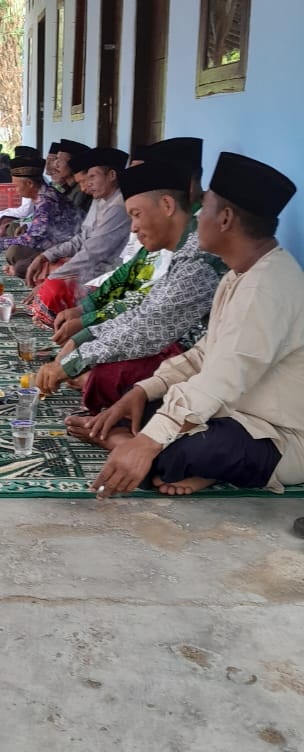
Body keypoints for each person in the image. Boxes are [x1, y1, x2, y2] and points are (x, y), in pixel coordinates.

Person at [85, 152, 304, 497]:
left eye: (204, 208)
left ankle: (122, 444)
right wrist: (146, 389)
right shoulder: (240, 274)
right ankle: (130, 443)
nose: (196, 217)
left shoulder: (268, 285)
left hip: (274, 434)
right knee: (140, 406)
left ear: (226, 218)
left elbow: (223, 377)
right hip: (228, 412)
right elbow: (205, 355)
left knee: (181, 451)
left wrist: (147, 442)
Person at [35, 147, 224, 411]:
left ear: (167, 205)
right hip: (163, 342)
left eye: (136, 215)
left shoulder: (198, 260)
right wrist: (85, 335)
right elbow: (143, 312)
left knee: (103, 375)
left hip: (188, 363)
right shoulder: (180, 248)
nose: (133, 227)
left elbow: (149, 328)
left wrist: (73, 360)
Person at [53, 138, 204, 345]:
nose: (133, 225)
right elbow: (130, 269)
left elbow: (149, 304)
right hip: (127, 303)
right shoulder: (161, 224)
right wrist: (84, 310)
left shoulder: (198, 237)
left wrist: (88, 324)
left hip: (169, 339)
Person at [25, 148, 131, 316]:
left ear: (111, 175)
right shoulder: (101, 198)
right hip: (88, 265)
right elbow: (81, 238)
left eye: (92, 177)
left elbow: (93, 254)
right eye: (87, 177)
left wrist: (51, 280)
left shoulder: (118, 206)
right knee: (45, 271)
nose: (87, 186)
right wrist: (46, 255)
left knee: (52, 286)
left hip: (105, 272)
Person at [0, 146, 84, 277]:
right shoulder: (43, 196)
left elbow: (33, 240)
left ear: (30, 184)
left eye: (17, 186)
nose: (16, 191)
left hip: (70, 250)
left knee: (18, 260)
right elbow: (38, 231)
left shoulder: (46, 202)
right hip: (54, 244)